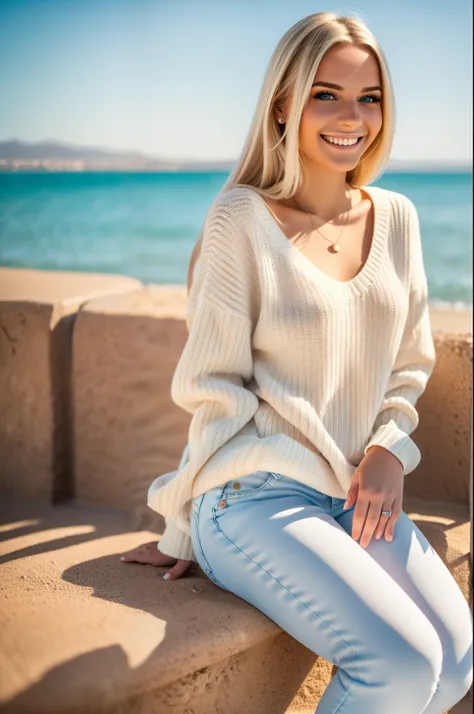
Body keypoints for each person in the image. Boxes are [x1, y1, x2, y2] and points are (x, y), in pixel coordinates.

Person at [120, 11, 473, 713]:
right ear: (284, 103)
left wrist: (388, 449)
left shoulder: (396, 218)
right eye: (326, 94)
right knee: (400, 665)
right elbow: (213, 390)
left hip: (356, 495)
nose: (353, 117)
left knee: (458, 664)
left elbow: (409, 362)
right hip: (252, 498)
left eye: (368, 96)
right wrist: (182, 526)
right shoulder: (239, 221)